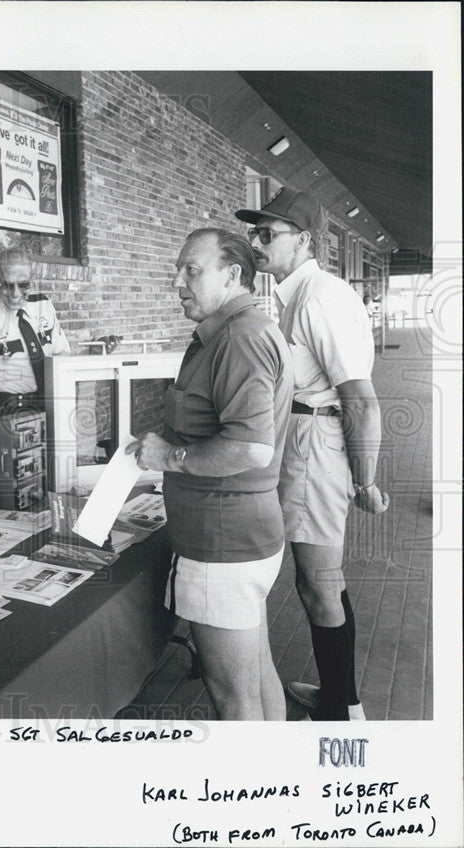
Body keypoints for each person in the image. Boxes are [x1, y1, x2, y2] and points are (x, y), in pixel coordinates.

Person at [235, 187, 389, 721]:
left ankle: (344, 713)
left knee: (320, 582)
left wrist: (365, 480)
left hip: (314, 444)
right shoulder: (292, 296)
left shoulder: (319, 295)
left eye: (268, 234)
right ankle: (336, 696)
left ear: (302, 240)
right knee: (316, 581)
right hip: (302, 440)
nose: (257, 243)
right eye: (255, 233)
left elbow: (361, 401)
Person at [131, 228, 294, 720]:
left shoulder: (240, 338)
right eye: (179, 270)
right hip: (241, 536)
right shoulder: (230, 333)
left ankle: (251, 792)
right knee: (258, 675)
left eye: (192, 270)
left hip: (223, 542)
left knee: (232, 696)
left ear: (233, 274)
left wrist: (169, 459)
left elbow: (250, 447)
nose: (178, 282)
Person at [0, 247, 71, 478]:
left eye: (24, 284)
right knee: (15, 505)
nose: (15, 293)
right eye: (6, 285)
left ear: (33, 278)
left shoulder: (44, 307)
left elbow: (63, 361)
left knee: (58, 494)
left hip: (51, 419)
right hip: (8, 424)